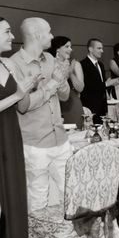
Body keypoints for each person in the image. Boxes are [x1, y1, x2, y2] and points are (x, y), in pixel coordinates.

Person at [7, 17, 72, 212]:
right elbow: (23, 106)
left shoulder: (51, 59)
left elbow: (65, 96)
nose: (52, 35)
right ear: (37, 35)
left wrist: (61, 81)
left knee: (70, 195)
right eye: (49, 32)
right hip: (35, 144)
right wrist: (51, 85)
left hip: (60, 138)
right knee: (37, 201)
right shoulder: (13, 65)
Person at [0, 17, 38, 238]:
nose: (12, 35)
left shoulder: (4, 64)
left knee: (14, 201)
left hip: (10, 136)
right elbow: (13, 99)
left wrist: (22, 91)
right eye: (6, 31)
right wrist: (20, 93)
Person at [45, 36, 84, 128]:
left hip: (72, 104)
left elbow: (81, 88)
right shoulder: (49, 64)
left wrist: (70, 73)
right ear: (57, 49)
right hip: (53, 104)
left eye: (70, 47)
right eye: (67, 46)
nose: (70, 49)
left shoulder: (75, 64)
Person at [80, 38, 118, 123]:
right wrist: (107, 84)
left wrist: (108, 85)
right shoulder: (83, 65)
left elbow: (101, 84)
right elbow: (86, 86)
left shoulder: (100, 64)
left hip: (102, 106)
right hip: (90, 106)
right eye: (99, 48)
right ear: (90, 49)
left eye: (102, 48)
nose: (102, 51)